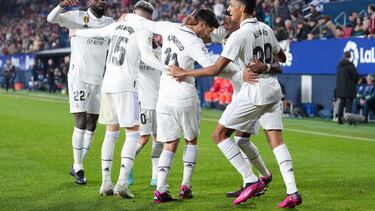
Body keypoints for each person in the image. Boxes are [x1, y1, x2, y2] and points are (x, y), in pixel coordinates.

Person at [168, 0, 302, 208]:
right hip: (272, 89)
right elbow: (282, 58)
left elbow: (214, 70)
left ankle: (251, 180)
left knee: (219, 135)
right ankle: (291, 191)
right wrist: (265, 65)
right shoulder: (266, 28)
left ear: (242, 8)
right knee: (274, 141)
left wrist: (184, 72)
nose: (228, 9)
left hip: (253, 92)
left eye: (231, 5)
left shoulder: (240, 35)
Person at [123, 8, 225, 203]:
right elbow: (212, 68)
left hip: (164, 97)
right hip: (184, 96)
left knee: (169, 143)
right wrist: (186, 73)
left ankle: (160, 189)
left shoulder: (169, 27)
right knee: (191, 140)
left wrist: (127, 16)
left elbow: (146, 24)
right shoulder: (194, 42)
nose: (209, 34)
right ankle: (185, 186)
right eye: (209, 30)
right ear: (201, 24)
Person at [72, 0, 168, 198]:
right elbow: (149, 58)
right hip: (127, 87)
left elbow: (96, 32)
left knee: (111, 133)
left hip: (107, 85)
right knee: (133, 133)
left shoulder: (116, 25)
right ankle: (122, 182)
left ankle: (106, 183)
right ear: (146, 18)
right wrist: (168, 69)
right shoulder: (142, 30)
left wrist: (77, 32)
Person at [47, 0, 115, 185]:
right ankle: (79, 167)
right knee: (81, 122)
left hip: (99, 80)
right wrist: (61, 6)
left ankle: (77, 164)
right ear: (89, 2)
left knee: (92, 125)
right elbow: (50, 18)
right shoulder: (77, 17)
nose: (101, 2)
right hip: (79, 78)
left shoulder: (109, 22)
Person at [130, 38, 163, 187]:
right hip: (143, 101)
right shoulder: (139, 52)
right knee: (143, 138)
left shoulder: (161, 52)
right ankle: (128, 165)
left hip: (159, 101)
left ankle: (155, 177)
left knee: (159, 140)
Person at [336, 51, 359, 124]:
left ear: (344, 56)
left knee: (341, 104)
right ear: (350, 56)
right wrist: (356, 81)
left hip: (341, 88)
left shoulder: (339, 65)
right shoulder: (351, 65)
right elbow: (355, 76)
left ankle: (339, 120)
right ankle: (349, 121)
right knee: (349, 104)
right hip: (349, 88)